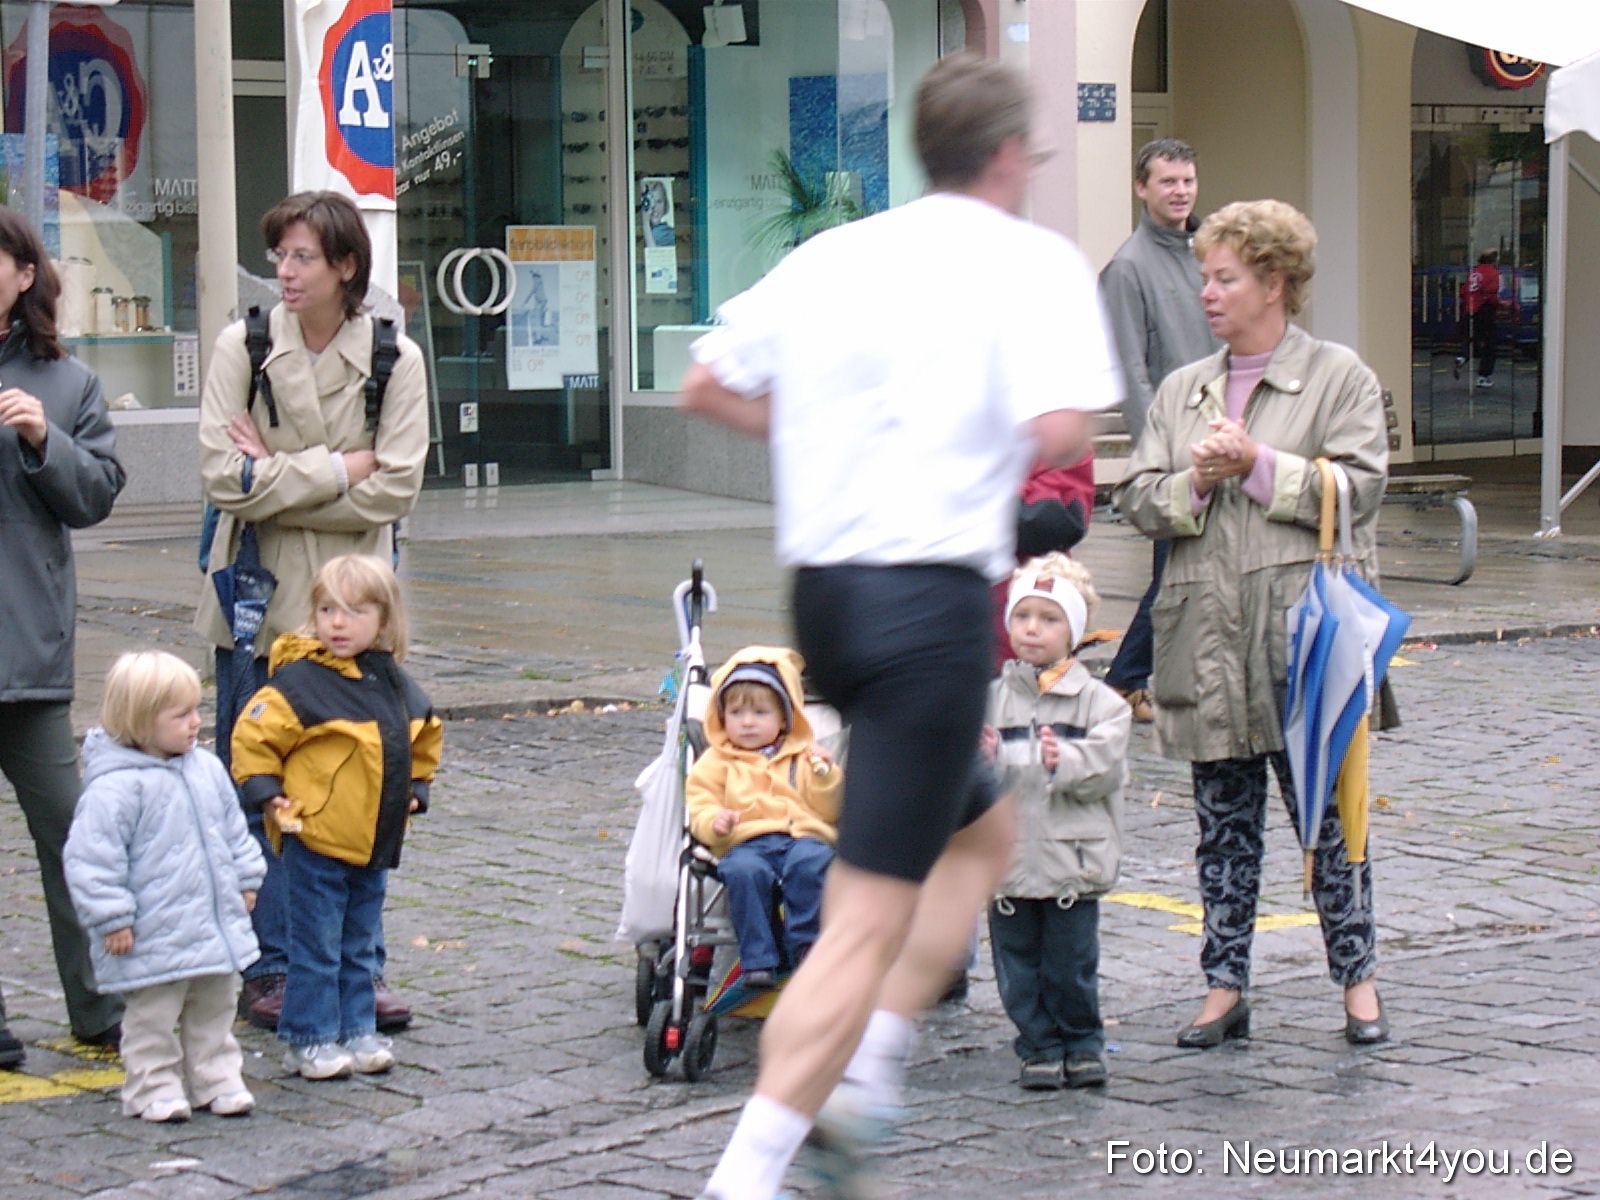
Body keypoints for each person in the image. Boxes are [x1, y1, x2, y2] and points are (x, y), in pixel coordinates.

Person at [680, 53, 1118, 1200]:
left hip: (827, 595)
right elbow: (1065, 424)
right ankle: (752, 1167)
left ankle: (867, 1082)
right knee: (867, 920)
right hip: (925, 604)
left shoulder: (836, 254)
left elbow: (705, 386)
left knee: (979, 839)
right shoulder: (1031, 262)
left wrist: (826, 440)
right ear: (1013, 156)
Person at [1114, 199, 1390, 1049]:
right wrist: (1194, 485)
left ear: (1274, 282)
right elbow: (1135, 497)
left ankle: (1360, 985)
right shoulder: (1181, 389)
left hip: (1304, 647)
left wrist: (1260, 465)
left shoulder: (1337, 375)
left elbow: (1360, 486)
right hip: (1207, 644)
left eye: (1224, 277)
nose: (1207, 292)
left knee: (1334, 826)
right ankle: (1223, 986)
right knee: (1223, 833)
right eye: (1203, 276)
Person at [197, 191, 430, 1033]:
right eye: (279, 257)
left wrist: (281, 475)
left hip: (354, 615)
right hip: (257, 609)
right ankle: (274, 968)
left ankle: (352, 968)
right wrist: (340, 471)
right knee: (260, 790)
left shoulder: (395, 358)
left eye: (301, 258)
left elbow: (398, 484)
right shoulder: (245, 345)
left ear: (345, 267)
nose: (285, 274)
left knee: (354, 792)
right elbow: (224, 480)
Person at [229, 554, 442, 1080]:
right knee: (316, 944)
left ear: (385, 621)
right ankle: (310, 1036)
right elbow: (254, 737)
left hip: (374, 838)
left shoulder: (394, 682)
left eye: (354, 611)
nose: (338, 623)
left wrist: (416, 788)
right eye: (327, 610)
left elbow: (423, 734)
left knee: (359, 944)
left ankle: (356, 1027)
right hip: (317, 836)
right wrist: (266, 792)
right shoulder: (299, 682)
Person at [0, 206, 126, 1065]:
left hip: (26, 655)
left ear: (21, 275)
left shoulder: (65, 382)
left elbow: (98, 494)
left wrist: (46, 441)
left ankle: (100, 1008)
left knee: (72, 839)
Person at [63, 652, 265, 1122]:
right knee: (152, 1016)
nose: (196, 723)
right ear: (139, 721)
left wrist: (246, 876)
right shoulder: (114, 790)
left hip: (212, 925)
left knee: (215, 1006)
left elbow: (233, 829)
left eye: (197, 710)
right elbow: (92, 860)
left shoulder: (206, 769)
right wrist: (112, 916)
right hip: (153, 932)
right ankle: (151, 1085)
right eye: (181, 715)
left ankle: (215, 1078)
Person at [980, 554, 1129, 1092]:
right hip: (1010, 862)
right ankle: (1038, 1044)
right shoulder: (990, 702)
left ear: (1074, 631)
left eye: (1048, 619)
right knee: (1017, 965)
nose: (1032, 630)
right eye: (1023, 617)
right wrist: (983, 759)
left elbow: (1104, 769)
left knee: (1070, 964)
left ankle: (1082, 1041)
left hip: (1072, 860)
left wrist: (1059, 761)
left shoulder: (1103, 704)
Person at [1098, 138, 1220, 723]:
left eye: (1188, 180)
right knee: (1177, 568)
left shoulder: (1211, 250)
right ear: (1141, 187)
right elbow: (1130, 369)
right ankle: (1126, 678)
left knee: (1189, 567)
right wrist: (1160, 452)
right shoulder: (1127, 267)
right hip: (1176, 447)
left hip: (1223, 433)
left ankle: (1138, 678)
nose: (1180, 191)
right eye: (1168, 182)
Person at [686, 648, 842, 990]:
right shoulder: (717, 761)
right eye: (737, 712)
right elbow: (700, 803)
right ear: (722, 717)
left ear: (785, 718)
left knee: (812, 862)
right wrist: (715, 821)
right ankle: (758, 960)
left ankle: (805, 946)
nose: (747, 721)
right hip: (745, 841)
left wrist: (824, 776)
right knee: (743, 872)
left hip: (800, 836)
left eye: (760, 712)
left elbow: (830, 810)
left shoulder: (802, 756)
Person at [1456, 248, 1500, 387]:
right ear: (1493, 260)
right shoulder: (1493, 273)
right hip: (1484, 310)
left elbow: (1462, 292)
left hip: (1469, 310)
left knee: (1471, 338)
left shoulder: (1474, 272)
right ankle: (1483, 376)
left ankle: (1463, 356)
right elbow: (1492, 293)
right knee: (1490, 345)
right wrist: (1500, 304)